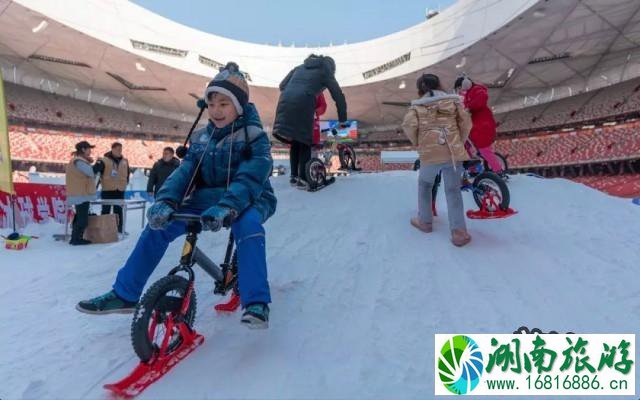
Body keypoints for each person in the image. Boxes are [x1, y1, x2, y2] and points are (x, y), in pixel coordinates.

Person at [76, 62, 277, 329]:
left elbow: (251, 176)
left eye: (224, 104)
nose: (215, 111)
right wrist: (165, 201)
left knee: (248, 225)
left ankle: (256, 302)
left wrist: (228, 206)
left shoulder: (254, 137)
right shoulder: (202, 139)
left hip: (251, 196)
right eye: (211, 104)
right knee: (158, 227)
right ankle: (125, 294)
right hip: (209, 197)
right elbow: (185, 172)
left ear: (238, 106)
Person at [402, 73, 473, 247]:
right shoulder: (454, 102)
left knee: (425, 185)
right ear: (438, 84)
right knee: (453, 190)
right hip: (453, 152)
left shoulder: (416, 108)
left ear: (421, 88)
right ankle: (459, 232)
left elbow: (408, 126)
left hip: (429, 153)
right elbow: (466, 124)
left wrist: (419, 142)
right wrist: (459, 142)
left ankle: (425, 222)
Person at [272, 54, 347, 186]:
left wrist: (294, 91)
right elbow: (338, 96)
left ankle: (294, 177)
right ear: (332, 68)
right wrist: (342, 121)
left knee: (295, 141)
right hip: (303, 103)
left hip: (285, 103)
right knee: (305, 141)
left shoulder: (299, 67)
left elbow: (282, 85)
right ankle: (303, 179)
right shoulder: (325, 69)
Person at [453, 76, 503, 174]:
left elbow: (482, 98)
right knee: (465, 145)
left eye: (459, 88)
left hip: (482, 126)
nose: (459, 91)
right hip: (474, 128)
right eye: (457, 90)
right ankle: (473, 168)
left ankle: (498, 171)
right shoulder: (466, 96)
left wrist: (469, 108)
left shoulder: (476, 90)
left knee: (484, 149)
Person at [65, 141, 98, 245]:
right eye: (89, 149)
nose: (90, 151)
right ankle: (76, 239)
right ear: (83, 149)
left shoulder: (78, 161)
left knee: (80, 216)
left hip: (80, 193)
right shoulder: (78, 161)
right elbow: (90, 172)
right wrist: (98, 165)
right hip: (81, 194)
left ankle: (75, 237)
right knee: (82, 219)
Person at [95, 142, 130, 233]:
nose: (120, 151)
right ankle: (103, 229)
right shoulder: (104, 160)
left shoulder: (125, 161)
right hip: (108, 190)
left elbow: (127, 174)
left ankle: (119, 229)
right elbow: (97, 174)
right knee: (105, 210)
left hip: (120, 190)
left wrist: (125, 183)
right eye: (118, 149)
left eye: (121, 149)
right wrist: (95, 187)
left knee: (118, 211)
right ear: (112, 149)